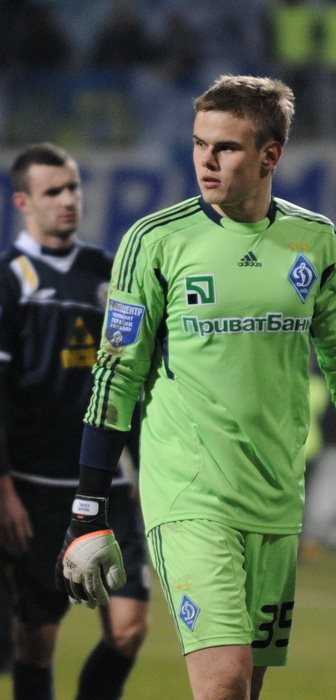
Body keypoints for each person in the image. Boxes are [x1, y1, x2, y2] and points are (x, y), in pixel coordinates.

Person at [56, 76, 336, 700]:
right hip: (190, 497)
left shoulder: (315, 242)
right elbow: (115, 377)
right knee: (223, 683)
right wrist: (89, 510)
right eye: (199, 143)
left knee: (244, 691)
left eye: (225, 147)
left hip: (276, 501)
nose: (205, 160)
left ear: (269, 155)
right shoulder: (155, 242)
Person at [0, 142, 150, 700]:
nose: (68, 200)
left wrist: (144, 467)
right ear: (23, 202)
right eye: (53, 191)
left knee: (129, 629)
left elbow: (132, 379)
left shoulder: (106, 273)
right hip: (34, 488)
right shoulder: (9, 281)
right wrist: (4, 489)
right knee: (36, 642)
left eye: (73, 188)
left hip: (106, 481)